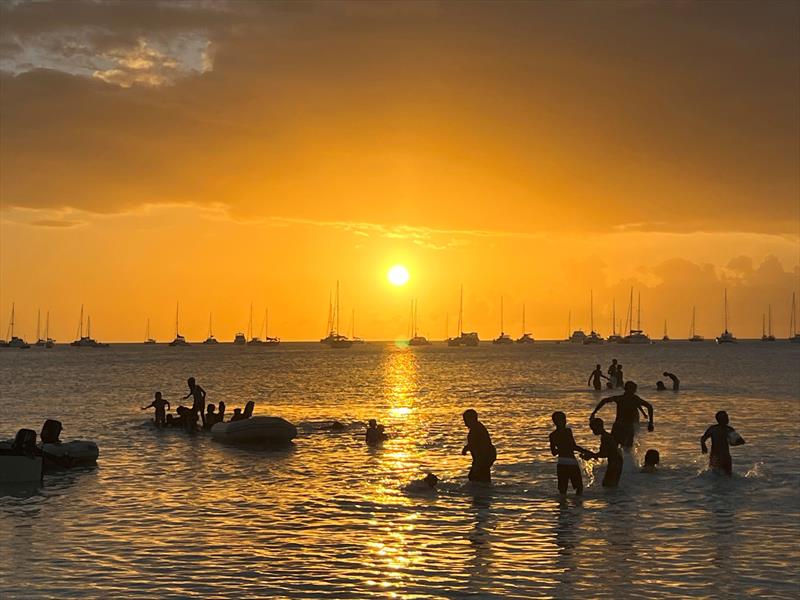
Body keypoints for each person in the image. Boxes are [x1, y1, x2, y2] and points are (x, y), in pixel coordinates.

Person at [589, 381, 654, 450]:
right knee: (627, 449)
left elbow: (604, 400)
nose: (635, 391)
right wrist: (650, 423)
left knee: (614, 448)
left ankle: (619, 459)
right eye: (634, 389)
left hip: (619, 426)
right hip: (627, 427)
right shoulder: (634, 399)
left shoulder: (620, 398)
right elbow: (649, 406)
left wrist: (594, 412)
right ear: (632, 390)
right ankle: (627, 460)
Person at [549, 411, 590, 495]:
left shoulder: (552, 435)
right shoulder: (567, 431)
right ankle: (578, 505)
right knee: (579, 487)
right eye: (563, 419)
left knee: (562, 489)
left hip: (561, 462)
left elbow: (553, 453)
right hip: (571, 462)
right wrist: (585, 451)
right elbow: (573, 446)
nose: (565, 421)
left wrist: (561, 448)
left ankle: (562, 506)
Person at [701, 411, 745, 476]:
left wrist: (703, 446)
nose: (727, 419)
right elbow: (741, 441)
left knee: (714, 476)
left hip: (718, 457)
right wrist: (732, 443)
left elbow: (703, 439)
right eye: (725, 417)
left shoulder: (713, 429)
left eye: (727, 417)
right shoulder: (728, 429)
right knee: (727, 477)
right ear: (720, 419)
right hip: (722, 457)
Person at [583, 418, 623, 487]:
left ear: (599, 427)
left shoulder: (605, 437)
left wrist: (591, 455)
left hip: (615, 462)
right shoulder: (607, 435)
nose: (593, 431)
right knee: (610, 484)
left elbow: (604, 454)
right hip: (617, 461)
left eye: (593, 429)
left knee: (608, 484)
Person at [461, 409, 496, 483]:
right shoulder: (477, 428)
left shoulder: (476, 430)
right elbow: (474, 444)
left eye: (465, 421)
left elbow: (479, 447)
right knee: (478, 477)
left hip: (483, 458)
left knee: (476, 478)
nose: (465, 424)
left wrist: (478, 464)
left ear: (471, 419)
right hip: (485, 457)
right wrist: (466, 448)